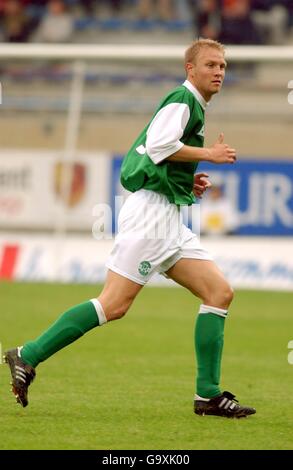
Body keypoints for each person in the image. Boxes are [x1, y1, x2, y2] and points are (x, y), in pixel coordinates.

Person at [4, 38, 256, 418]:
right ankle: (28, 354)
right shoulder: (183, 100)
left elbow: (157, 157)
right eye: (210, 65)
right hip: (151, 218)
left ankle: (207, 395)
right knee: (113, 304)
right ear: (191, 69)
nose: (218, 71)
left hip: (168, 216)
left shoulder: (193, 106)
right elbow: (157, 146)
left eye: (222, 65)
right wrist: (209, 154)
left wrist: (188, 181)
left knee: (219, 292)